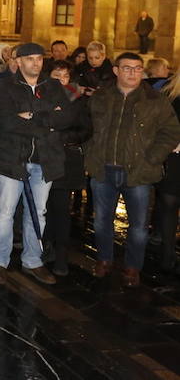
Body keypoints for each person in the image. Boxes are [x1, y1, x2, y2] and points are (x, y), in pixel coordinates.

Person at [84, 52, 180, 287]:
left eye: (138, 69)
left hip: (139, 173)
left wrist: (153, 158)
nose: (133, 73)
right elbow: (85, 126)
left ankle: (132, 267)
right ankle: (104, 260)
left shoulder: (155, 100)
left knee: (138, 226)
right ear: (116, 71)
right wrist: (91, 152)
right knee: (101, 221)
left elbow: (170, 131)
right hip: (103, 170)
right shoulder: (101, 97)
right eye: (127, 68)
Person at [0, 43, 70, 286]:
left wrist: (31, 114)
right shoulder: (5, 86)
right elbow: (7, 122)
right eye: (30, 59)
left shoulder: (53, 86)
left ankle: (33, 259)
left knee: (39, 213)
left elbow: (65, 117)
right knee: (5, 212)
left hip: (44, 159)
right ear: (19, 61)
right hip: (11, 157)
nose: (36, 63)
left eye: (39, 58)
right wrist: (47, 116)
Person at [43, 60, 92, 277]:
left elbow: (85, 129)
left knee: (61, 208)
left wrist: (62, 137)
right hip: (43, 159)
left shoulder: (77, 100)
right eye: (56, 76)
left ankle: (61, 253)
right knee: (43, 207)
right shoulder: (40, 97)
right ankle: (46, 247)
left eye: (65, 76)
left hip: (65, 160)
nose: (61, 80)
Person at [157, 74, 180, 273]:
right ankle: (168, 253)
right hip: (174, 156)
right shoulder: (168, 94)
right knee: (169, 204)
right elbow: (158, 124)